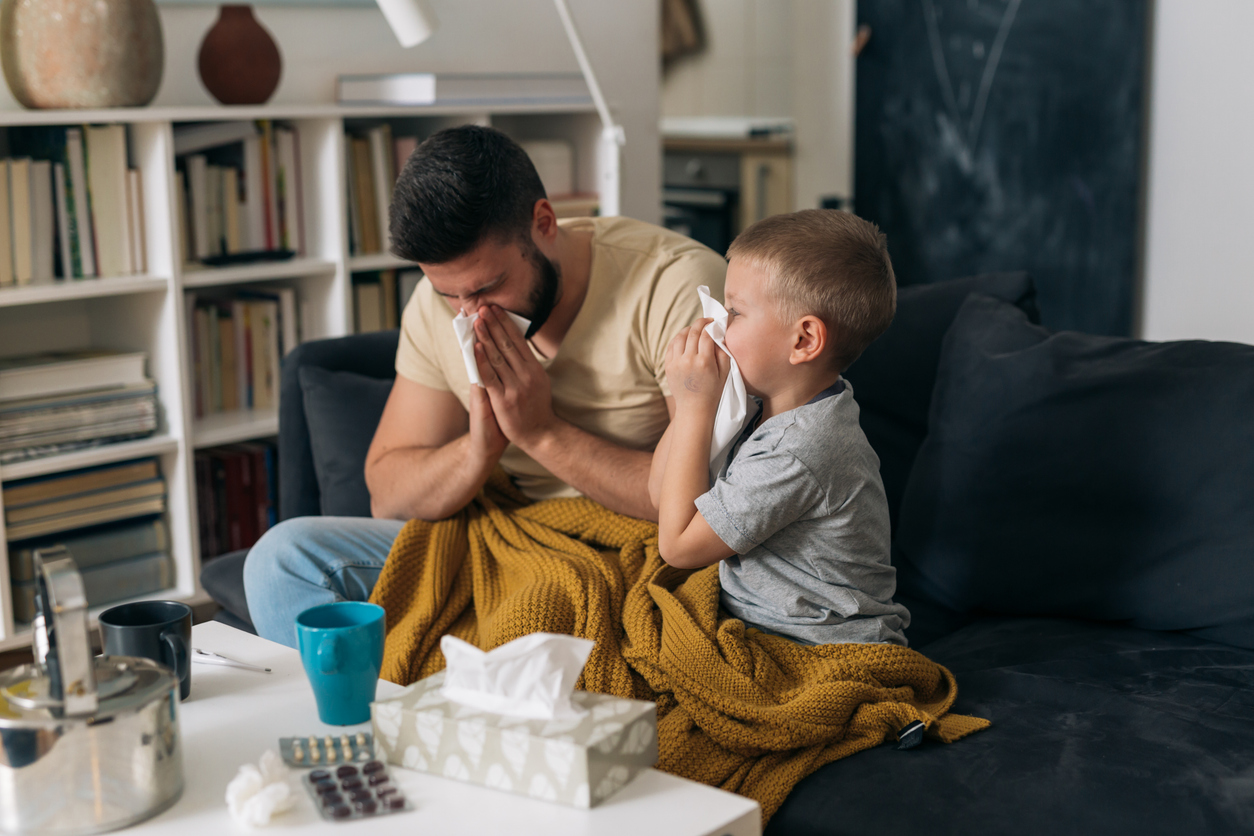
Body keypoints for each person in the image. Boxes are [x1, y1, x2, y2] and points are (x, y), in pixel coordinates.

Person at [244, 125, 726, 647]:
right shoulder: (436, 306)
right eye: (449, 294)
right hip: (493, 531)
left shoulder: (674, 288)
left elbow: (698, 500)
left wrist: (541, 434)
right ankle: (369, 715)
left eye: (488, 287)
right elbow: (386, 494)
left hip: (621, 544)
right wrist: (480, 447)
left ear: (543, 223)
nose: (472, 315)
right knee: (279, 560)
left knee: (546, 608)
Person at [648, 209, 911, 646]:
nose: (716, 325)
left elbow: (677, 548)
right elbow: (661, 498)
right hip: (759, 621)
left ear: (804, 341)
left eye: (733, 312)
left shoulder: (801, 447)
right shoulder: (758, 404)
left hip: (819, 645)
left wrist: (693, 408)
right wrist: (696, 401)